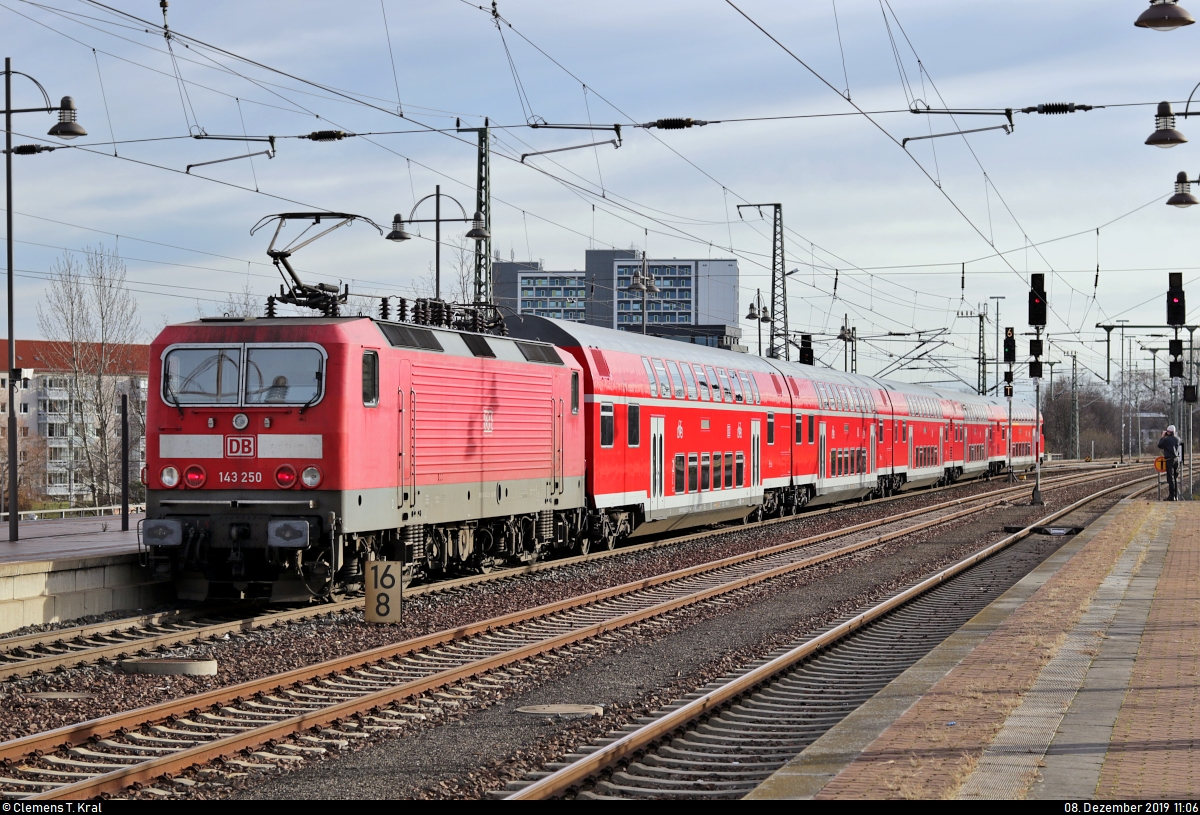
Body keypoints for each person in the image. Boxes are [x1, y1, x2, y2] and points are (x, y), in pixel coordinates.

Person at [1158, 424, 1181, 501]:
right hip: (1176, 460)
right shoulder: (1178, 439)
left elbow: (1160, 445)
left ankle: (1171, 496)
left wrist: (1162, 436)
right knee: (1175, 477)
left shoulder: (1166, 440)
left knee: (1170, 479)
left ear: (1168, 432)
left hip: (1169, 460)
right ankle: (1176, 496)